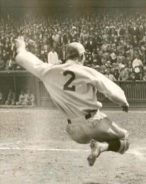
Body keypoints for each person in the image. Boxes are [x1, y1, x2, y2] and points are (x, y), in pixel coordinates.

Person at [15, 37, 130, 166]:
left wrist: (21, 47)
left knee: (96, 134)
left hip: (74, 131)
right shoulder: (87, 72)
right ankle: (101, 147)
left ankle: (98, 143)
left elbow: (25, 60)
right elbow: (111, 90)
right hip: (94, 122)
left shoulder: (48, 71)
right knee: (124, 139)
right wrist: (123, 102)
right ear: (81, 56)